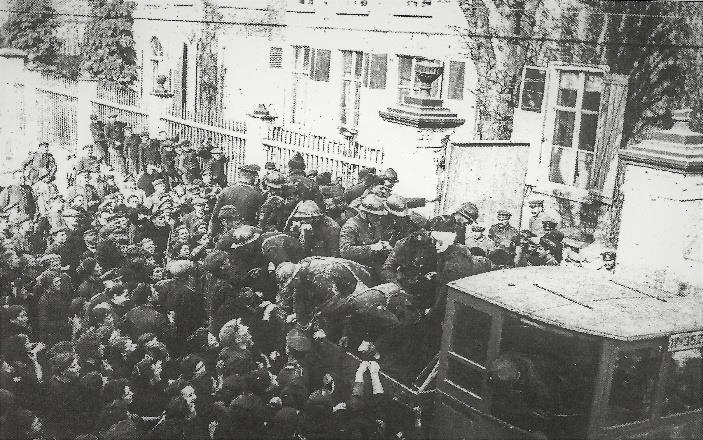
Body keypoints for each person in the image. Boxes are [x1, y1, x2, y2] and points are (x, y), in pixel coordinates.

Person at [339, 194, 391, 270]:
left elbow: (377, 240)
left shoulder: (375, 223)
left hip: (374, 265)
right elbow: (345, 251)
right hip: (357, 268)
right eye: (376, 215)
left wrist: (383, 245)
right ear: (364, 213)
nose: (379, 218)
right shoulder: (351, 226)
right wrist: (371, 248)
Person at [210, 164, 265, 235]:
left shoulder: (225, 191)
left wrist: (212, 235)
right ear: (253, 177)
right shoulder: (257, 195)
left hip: (228, 231)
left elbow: (215, 216)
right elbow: (260, 219)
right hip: (246, 233)